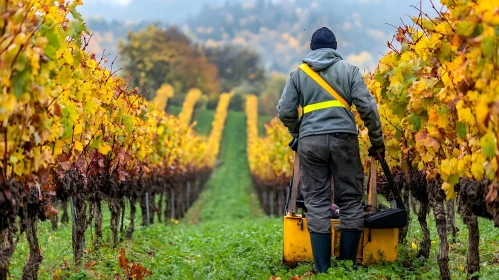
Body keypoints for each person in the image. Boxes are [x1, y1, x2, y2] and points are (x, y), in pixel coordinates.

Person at [276, 27, 385, 273]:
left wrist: (298, 132)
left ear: (312, 48)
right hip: (344, 139)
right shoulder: (350, 71)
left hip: (311, 143)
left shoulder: (298, 74)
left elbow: (284, 111)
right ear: (335, 48)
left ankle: (322, 268)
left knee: (316, 201)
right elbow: (368, 107)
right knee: (350, 200)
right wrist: (377, 143)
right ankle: (346, 267)